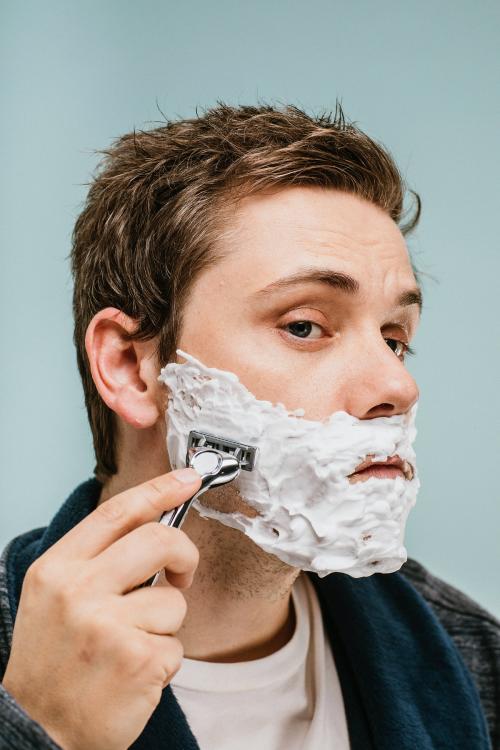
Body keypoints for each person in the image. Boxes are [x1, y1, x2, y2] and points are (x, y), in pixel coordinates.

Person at [1, 103, 498, 750]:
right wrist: (42, 732)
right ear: (130, 367)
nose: (398, 387)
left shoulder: (477, 664)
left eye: (394, 338)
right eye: (304, 326)